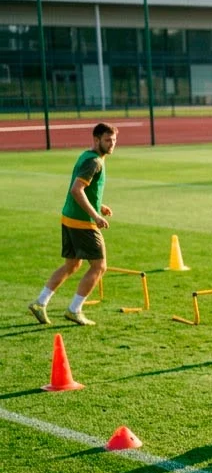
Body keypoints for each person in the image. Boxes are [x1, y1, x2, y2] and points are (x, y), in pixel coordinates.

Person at [29, 123, 118, 326]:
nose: (112, 144)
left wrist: (99, 205)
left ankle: (40, 303)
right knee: (99, 266)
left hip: (69, 217)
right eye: (107, 140)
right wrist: (95, 215)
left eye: (114, 140)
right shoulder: (94, 161)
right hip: (82, 223)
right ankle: (74, 310)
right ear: (96, 140)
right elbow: (76, 190)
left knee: (72, 264)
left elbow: (81, 189)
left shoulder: (85, 156)